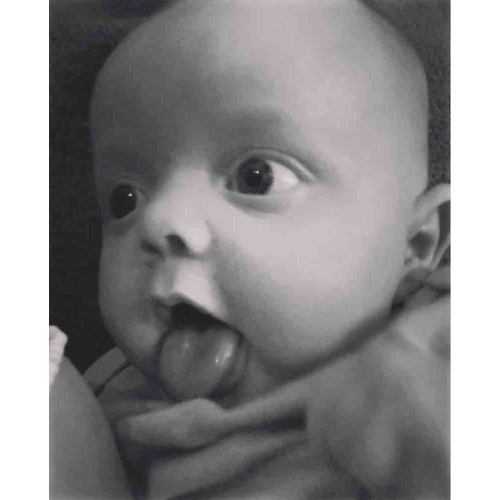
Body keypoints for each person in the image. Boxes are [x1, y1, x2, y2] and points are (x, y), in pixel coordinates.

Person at [53, 0, 451, 498]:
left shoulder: (436, 362)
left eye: (256, 178)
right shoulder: (107, 398)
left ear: (417, 243)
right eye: (124, 200)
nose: (158, 221)